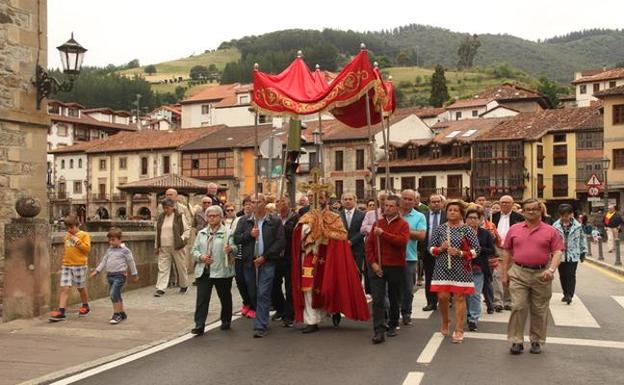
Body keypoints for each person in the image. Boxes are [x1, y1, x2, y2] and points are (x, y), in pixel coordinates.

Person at [292, 190, 370, 334]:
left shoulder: (334, 217)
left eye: (320, 197)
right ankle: (311, 321)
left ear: (326, 199)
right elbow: (297, 235)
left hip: (328, 257)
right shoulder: (305, 216)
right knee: (308, 288)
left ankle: (332, 310)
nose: (316, 200)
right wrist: (306, 229)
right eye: (312, 197)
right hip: (309, 257)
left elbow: (341, 236)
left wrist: (322, 231)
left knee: (328, 287)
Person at [502, 198, 563, 355]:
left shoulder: (551, 231)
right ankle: (516, 340)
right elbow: (507, 251)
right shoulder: (514, 229)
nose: (531, 211)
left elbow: (557, 252)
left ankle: (536, 340)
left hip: (542, 274)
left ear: (540, 211)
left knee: (539, 309)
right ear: (523, 211)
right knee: (518, 306)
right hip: (518, 272)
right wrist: (504, 273)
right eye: (527, 209)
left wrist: (551, 270)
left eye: (534, 209)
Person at [234, 193, 285, 338]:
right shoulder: (244, 221)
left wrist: (265, 256)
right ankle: (260, 315)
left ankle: (260, 325)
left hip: (267, 261)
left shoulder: (274, 221)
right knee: (253, 292)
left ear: (264, 203)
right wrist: (250, 235)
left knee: (263, 292)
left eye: (259, 201)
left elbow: (280, 241)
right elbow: (237, 238)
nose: (256, 204)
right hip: (249, 262)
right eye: (253, 201)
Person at [429, 200, 480, 344]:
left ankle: (459, 329)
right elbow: (431, 249)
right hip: (442, 267)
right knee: (443, 297)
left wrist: (460, 253)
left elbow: (476, 250)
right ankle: (445, 320)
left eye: (455, 210)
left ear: (460, 213)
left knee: (459, 297)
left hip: (461, 268)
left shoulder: (467, 230)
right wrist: (440, 249)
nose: (452, 212)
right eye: (450, 210)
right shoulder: (440, 229)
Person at [366, 195, 410, 344]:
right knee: (377, 299)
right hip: (378, 265)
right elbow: (369, 246)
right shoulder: (377, 223)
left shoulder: (403, 224)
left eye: (391, 206)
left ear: (397, 208)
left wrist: (383, 234)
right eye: (386, 205)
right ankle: (378, 330)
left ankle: (393, 323)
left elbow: (402, 242)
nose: (388, 208)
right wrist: (373, 264)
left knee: (394, 296)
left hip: (395, 265)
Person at [190, 205, 235, 335]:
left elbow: (236, 248)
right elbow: (194, 250)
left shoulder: (228, 232)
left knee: (224, 296)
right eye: (209, 216)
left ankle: (226, 320)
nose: (211, 218)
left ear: (221, 217)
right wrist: (201, 257)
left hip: (222, 270)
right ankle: (199, 325)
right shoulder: (202, 233)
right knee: (202, 299)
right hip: (204, 270)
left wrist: (231, 249)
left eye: (214, 216)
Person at [90, 228, 139, 324]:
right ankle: (121, 312)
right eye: (110, 240)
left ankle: (116, 314)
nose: (111, 242)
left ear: (120, 239)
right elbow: (104, 261)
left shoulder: (125, 251)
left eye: (113, 240)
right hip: (110, 275)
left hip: (120, 275)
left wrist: (135, 274)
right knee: (117, 295)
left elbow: (131, 262)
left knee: (113, 294)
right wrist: (97, 271)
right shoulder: (109, 250)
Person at [49, 214, 92, 322]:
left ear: (77, 225)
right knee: (64, 288)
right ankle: (61, 311)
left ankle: (85, 305)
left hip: (79, 265)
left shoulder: (84, 235)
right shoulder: (67, 236)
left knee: (81, 287)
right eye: (68, 228)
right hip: (67, 265)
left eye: (71, 227)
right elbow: (67, 250)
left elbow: (86, 249)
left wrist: (77, 240)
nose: (69, 230)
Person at [464, 206, 495, 331]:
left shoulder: (485, 233)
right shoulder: (461, 232)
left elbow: (492, 250)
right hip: (463, 268)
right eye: (470, 218)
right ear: (465, 220)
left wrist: (478, 249)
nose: (472, 220)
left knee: (475, 294)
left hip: (479, 268)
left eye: (475, 218)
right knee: (466, 295)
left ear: (479, 220)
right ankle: (469, 314)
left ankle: (473, 319)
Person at [399, 190, 427, 326]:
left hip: (409, 258)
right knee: (391, 289)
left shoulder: (420, 216)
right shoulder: (393, 213)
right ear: (400, 199)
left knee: (408, 290)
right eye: (405, 198)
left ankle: (406, 313)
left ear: (415, 201)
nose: (408, 201)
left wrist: (403, 231)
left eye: (411, 199)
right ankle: (392, 314)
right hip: (391, 257)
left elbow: (422, 236)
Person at [271, 195, 300, 327]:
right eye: (277, 201)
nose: (280, 203)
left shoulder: (295, 217)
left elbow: (294, 233)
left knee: (290, 286)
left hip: (289, 256)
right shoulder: (272, 218)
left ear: (288, 203)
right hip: (275, 256)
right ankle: (280, 308)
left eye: (282, 201)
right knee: (273, 284)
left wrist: (280, 227)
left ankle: (289, 314)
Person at [491, 195, 524, 312]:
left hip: (512, 249)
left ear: (512, 204)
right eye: (502, 202)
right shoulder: (492, 217)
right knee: (497, 274)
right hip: (497, 248)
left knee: (510, 275)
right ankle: (498, 301)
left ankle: (508, 300)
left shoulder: (519, 217)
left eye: (507, 203)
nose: (504, 204)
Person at [154, 198, 190, 297]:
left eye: (167, 208)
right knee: (163, 267)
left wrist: (181, 239)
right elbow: (158, 232)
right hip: (164, 246)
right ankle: (161, 288)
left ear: (172, 207)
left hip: (177, 245)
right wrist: (157, 246)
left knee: (181, 266)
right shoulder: (161, 217)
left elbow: (187, 230)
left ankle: (184, 285)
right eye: (164, 208)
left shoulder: (179, 216)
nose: (166, 210)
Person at [553, 204, 587, 305]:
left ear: (571, 214)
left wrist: (583, 252)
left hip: (574, 254)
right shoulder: (555, 226)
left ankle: (569, 295)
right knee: (562, 275)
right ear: (560, 215)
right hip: (560, 254)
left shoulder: (578, 226)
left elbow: (582, 238)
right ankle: (565, 293)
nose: (565, 217)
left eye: (567, 215)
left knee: (571, 274)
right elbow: (552, 241)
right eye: (563, 215)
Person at [228, 197, 255, 318]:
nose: (248, 207)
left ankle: (254, 306)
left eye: (250, 204)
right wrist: (249, 235)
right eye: (246, 205)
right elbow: (237, 238)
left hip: (251, 256)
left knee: (250, 282)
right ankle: (246, 303)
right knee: (240, 281)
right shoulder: (240, 220)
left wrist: (246, 236)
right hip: (239, 255)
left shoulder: (256, 220)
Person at [422, 194, 445, 311]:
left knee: (445, 277)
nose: (436, 204)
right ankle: (431, 302)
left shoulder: (447, 215)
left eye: (438, 201)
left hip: (445, 252)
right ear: (429, 203)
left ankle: (445, 300)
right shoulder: (423, 216)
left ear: (441, 203)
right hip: (428, 252)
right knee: (429, 277)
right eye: (433, 202)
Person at [340, 193, 366, 281]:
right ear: (342, 201)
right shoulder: (337, 215)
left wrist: (351, 241)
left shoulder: (362, 215)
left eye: (350, 199)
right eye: (345, 199)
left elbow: (363, 231)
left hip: (357, 248)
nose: (348, 201)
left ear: (355, 201)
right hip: (342, 248)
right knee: (343, 273)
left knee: (357, 272)